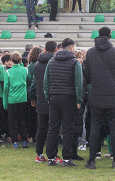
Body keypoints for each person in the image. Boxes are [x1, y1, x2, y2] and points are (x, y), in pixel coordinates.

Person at [84, 27, 115, 170]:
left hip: (96, 96)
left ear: (98, 35)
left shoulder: (90, 52)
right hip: (114, 97)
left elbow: (87, 75)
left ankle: (91, 160)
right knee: (114, 129)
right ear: (110, 36)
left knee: (95, 128)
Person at [43, 38, 83, 167]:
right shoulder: (74, 62)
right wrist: (79, 99)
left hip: (54, 97)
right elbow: (78, 83)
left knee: (52, 128)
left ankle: (51, 158)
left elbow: (46, 81)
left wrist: (48, 96)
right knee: (67, 129)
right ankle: (66, 158)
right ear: (71, 48)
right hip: (69, 98)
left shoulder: (52, 61)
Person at [30, 41, 58, 163]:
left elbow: (34, 83)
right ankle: (53, 155)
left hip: (41, 98)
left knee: (41, 128)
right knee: (53, 128)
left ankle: (39, 154)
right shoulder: (56, 62)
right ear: (56, 49)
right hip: (53, 98)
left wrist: (33, 98)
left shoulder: (37, 64)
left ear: (45, 49)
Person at [3, 52, 31, 149]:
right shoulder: (25, 70)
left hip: (12, 99)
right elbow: (29, 80)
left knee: (13, 121)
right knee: (22, 120)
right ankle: (24, 140)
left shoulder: (8, 72)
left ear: (11, 60)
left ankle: (15, 141)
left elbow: (5, 88)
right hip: (23, 98)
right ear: (20, 60)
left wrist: (5, 103)